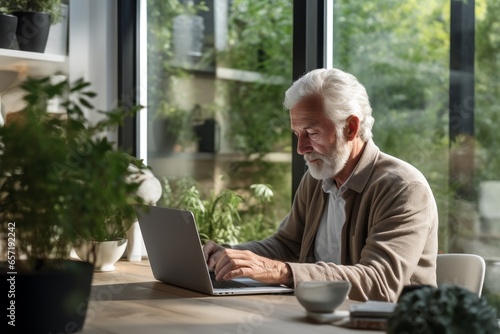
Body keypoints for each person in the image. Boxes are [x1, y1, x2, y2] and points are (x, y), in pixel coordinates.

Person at [203, 68, 438, 302]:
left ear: (351, 128)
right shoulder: (317, 178)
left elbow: (380, 284)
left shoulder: (404, 188)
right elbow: (287, 244)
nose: (300, 148)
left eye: (311, 133)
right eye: (297, 134)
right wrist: (228, 256)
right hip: (319, 316)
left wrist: (280, 271)